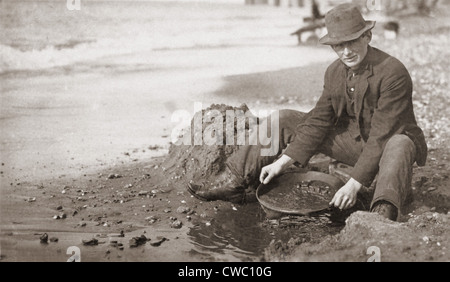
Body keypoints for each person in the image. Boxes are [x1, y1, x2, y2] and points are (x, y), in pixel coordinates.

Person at [187, 3, 427, 221]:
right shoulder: (334, 72)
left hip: (388, 150)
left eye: (352, 41)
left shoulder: (392, 72)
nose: (346, 52)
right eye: (338, 45)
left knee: (400, 143)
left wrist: (353, 185)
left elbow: (381, 137)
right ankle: (234, 180)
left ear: (368, 36)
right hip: (353, 145)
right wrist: (283, 161)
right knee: (286, 118)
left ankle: (382, 211)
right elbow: (319, 120)